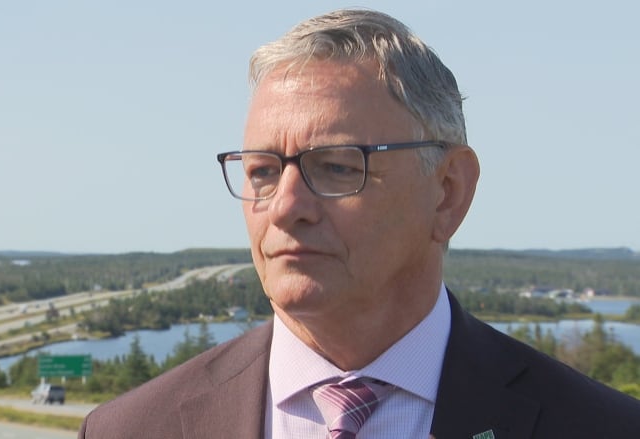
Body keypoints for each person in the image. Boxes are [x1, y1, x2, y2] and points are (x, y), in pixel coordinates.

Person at [79, 8, 640, 438]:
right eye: (262, 171)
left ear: (448, 193)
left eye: (338, 167)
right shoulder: (131, 429)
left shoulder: (599, 427)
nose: (285, 206)